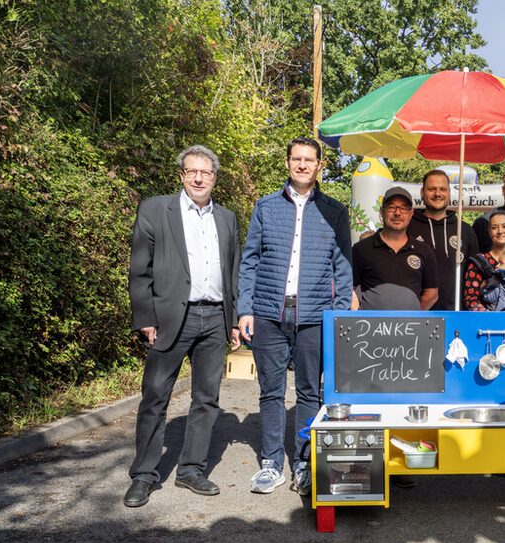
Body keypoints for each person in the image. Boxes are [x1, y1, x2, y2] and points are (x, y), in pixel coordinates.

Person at [124, 145, 242, 508]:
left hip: (214, 318)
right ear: (181, 175)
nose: (199, 177)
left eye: (206, 172)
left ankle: (191, 469)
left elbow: (233, 272)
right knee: (155, 397)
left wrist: (234, 321)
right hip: (171, 318)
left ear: (215, 177)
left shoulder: (227, 218)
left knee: (206, 399)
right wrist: (145, 317)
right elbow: (139, 268)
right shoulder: (156, 209)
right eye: (192, 171)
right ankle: (143, 475)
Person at [238, 136, 353, 495]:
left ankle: (304, 462)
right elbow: (250, 262)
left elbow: (343, 267)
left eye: (309, 160)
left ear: (320, 166)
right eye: (296, 159)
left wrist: (334, 315)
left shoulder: (335, 211)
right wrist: (245, 309)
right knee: (271, 392)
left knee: (308, 393)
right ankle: (272, 464)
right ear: (287, 163)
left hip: (315, 317)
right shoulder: (266, 207)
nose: (302, 165)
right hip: (269, 313)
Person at [352, 186, 439, 311]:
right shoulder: (361, 249)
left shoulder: (424, 251)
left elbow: (432, 294)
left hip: (411, 328)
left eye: (403, 208)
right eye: (392, 207)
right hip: (370, 328)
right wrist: (358, 316)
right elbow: (348, 288)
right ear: (381, 211)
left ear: (411, 214)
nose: (397, 213)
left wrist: (412, 317)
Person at [406, 169, 479, 310]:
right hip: (417, 315)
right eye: (432, 189)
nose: (437, 194)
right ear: (422, 193)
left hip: (457, 314)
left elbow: (474, 277)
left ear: (449, 193)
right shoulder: (408, 228)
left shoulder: (465, 230)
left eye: (443, 189)